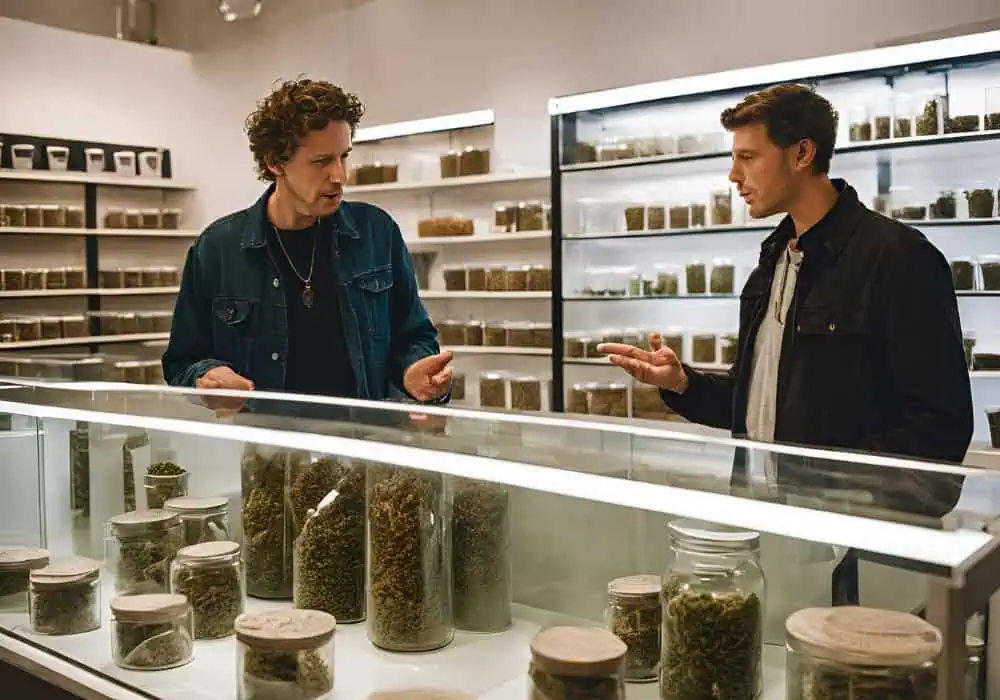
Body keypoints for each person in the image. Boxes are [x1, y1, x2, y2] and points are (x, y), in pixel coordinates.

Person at [599, 83, 974, 467]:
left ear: (802, 154)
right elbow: (758, 403)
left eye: (747, 157)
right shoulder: (772, 263)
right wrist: (682, 383)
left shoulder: (900, 258)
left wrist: (845, 493)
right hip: (771, 514)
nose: (733, 175)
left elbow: (940, 427)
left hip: (846, 523)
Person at [162, 78, 451, 407]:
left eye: (344, 156)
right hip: (265, 451)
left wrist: (414, 370)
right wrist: (208, 376)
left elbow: (413, 334)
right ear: (276, 162)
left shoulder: (377, 232)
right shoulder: (217, 248)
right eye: (321, 161)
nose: (339, 175)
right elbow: (181, 361)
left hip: (365, 444)